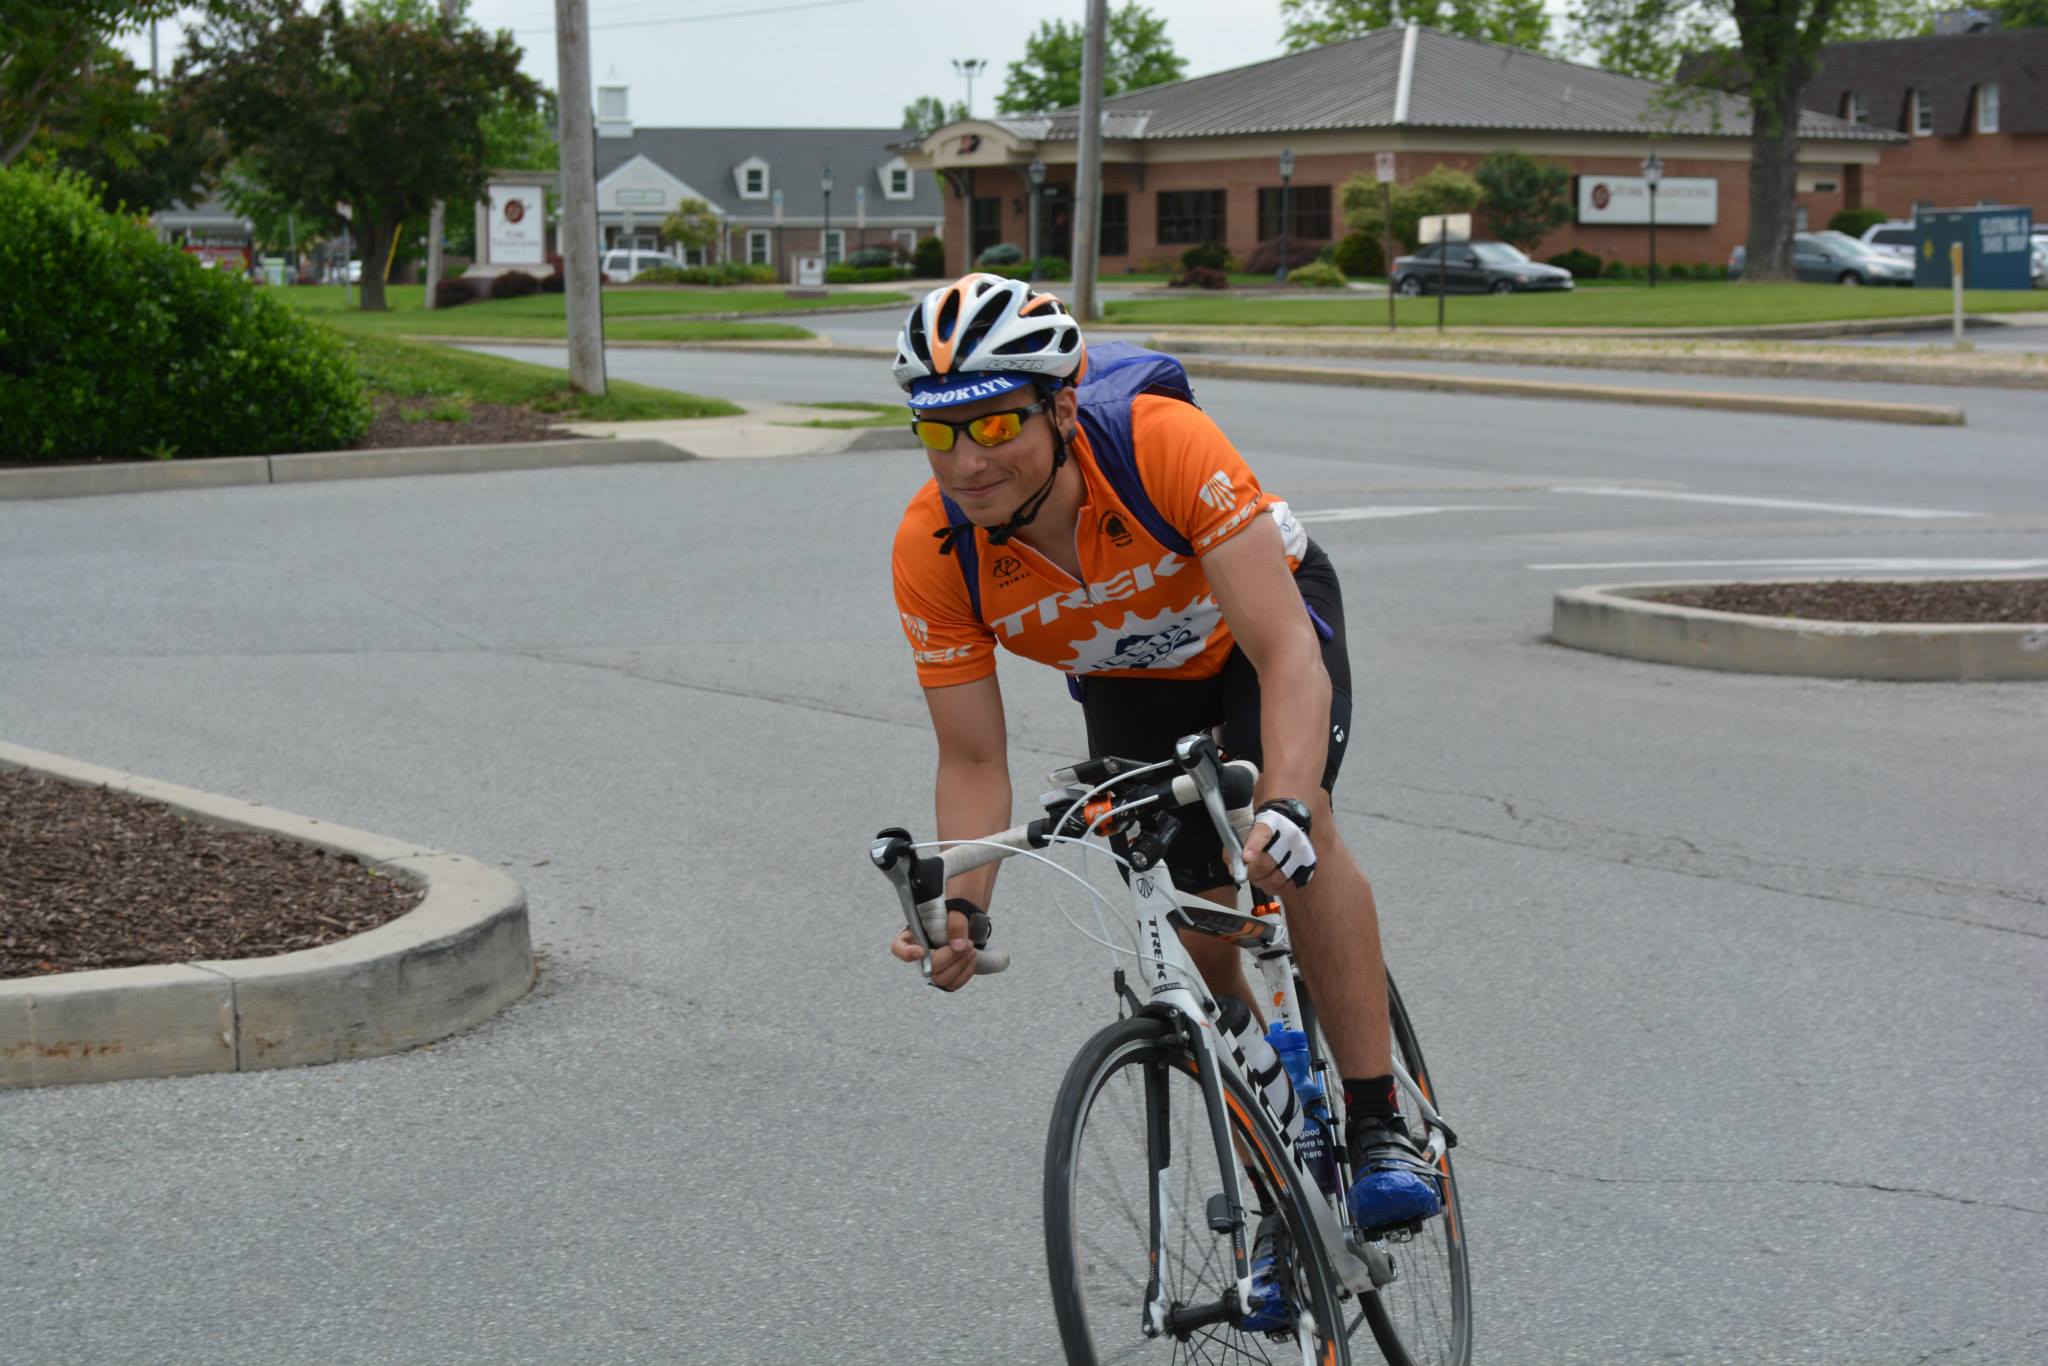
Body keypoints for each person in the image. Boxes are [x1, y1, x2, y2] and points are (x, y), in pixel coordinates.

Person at [884, 274, 1440, 1312]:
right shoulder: (934, 549)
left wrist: (1281, 797)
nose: (966, 461)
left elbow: (1285, 654)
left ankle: (1375, 1123)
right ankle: (1281, 1193)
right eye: (936, 431)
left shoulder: (1159, 446)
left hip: (1256, 639)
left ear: (1059, 404)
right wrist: (964, 905)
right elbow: (969, 759)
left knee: (1286, 835)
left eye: (996, 421)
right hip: (1128, 681)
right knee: (1193, 923)